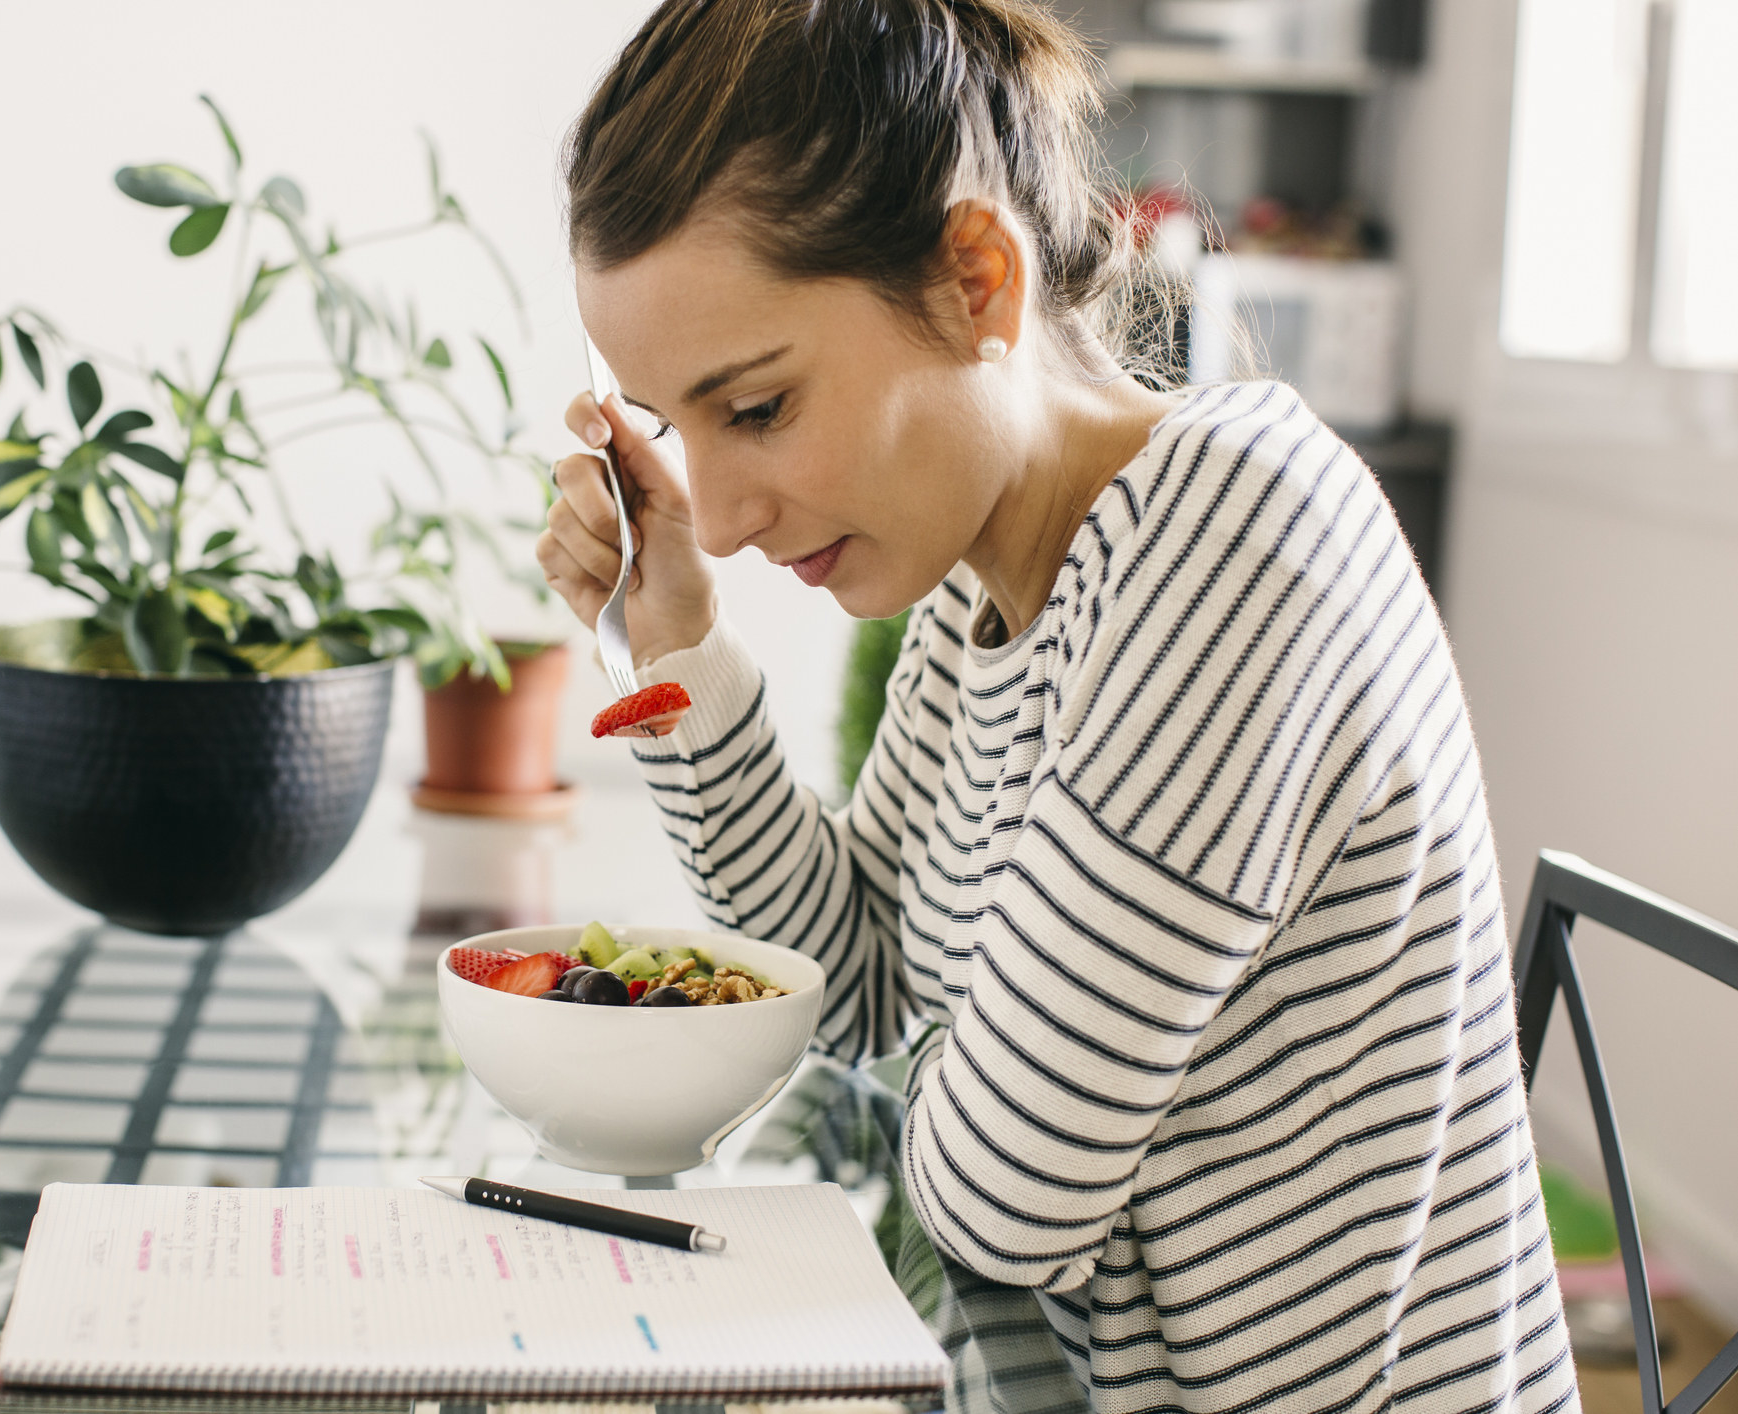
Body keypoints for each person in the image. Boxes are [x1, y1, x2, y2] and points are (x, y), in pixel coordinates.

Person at [536, 2, 1577, 1411]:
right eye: (675, 429)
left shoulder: (1229, 537)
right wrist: (679, 652)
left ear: (975, 277)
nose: (713, 519)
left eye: (760, 407)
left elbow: (1003, 1195)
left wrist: (974, 1076)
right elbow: (848, 992)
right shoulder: (984, 603)